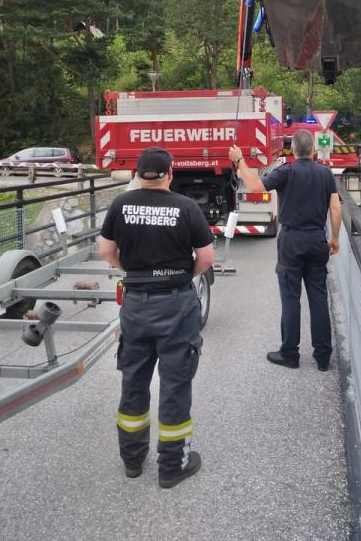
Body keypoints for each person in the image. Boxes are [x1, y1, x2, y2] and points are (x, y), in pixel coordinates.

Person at [99, 147, 215, 487]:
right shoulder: (186, 207)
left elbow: (107, 251)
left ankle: (132, 460)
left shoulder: (121, 205)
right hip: (176, 303)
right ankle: (172, 466)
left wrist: (134, 272)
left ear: (137, 175)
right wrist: (183, 276)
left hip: (135, 304)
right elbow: (206, 257)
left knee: (133, 380)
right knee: (176, 383)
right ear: (170, 174)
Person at [229, 129, 341, 370]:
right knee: (318, 297)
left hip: (291, 241)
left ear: (293, 150)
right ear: (313, 151)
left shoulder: (286, 171)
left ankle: (290, 354)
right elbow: (335, 209)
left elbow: (255, 186)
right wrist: (334, 238)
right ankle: (323, 357)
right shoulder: (325, 173)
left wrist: (239, 160)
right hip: (317, 240)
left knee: (291, 298)